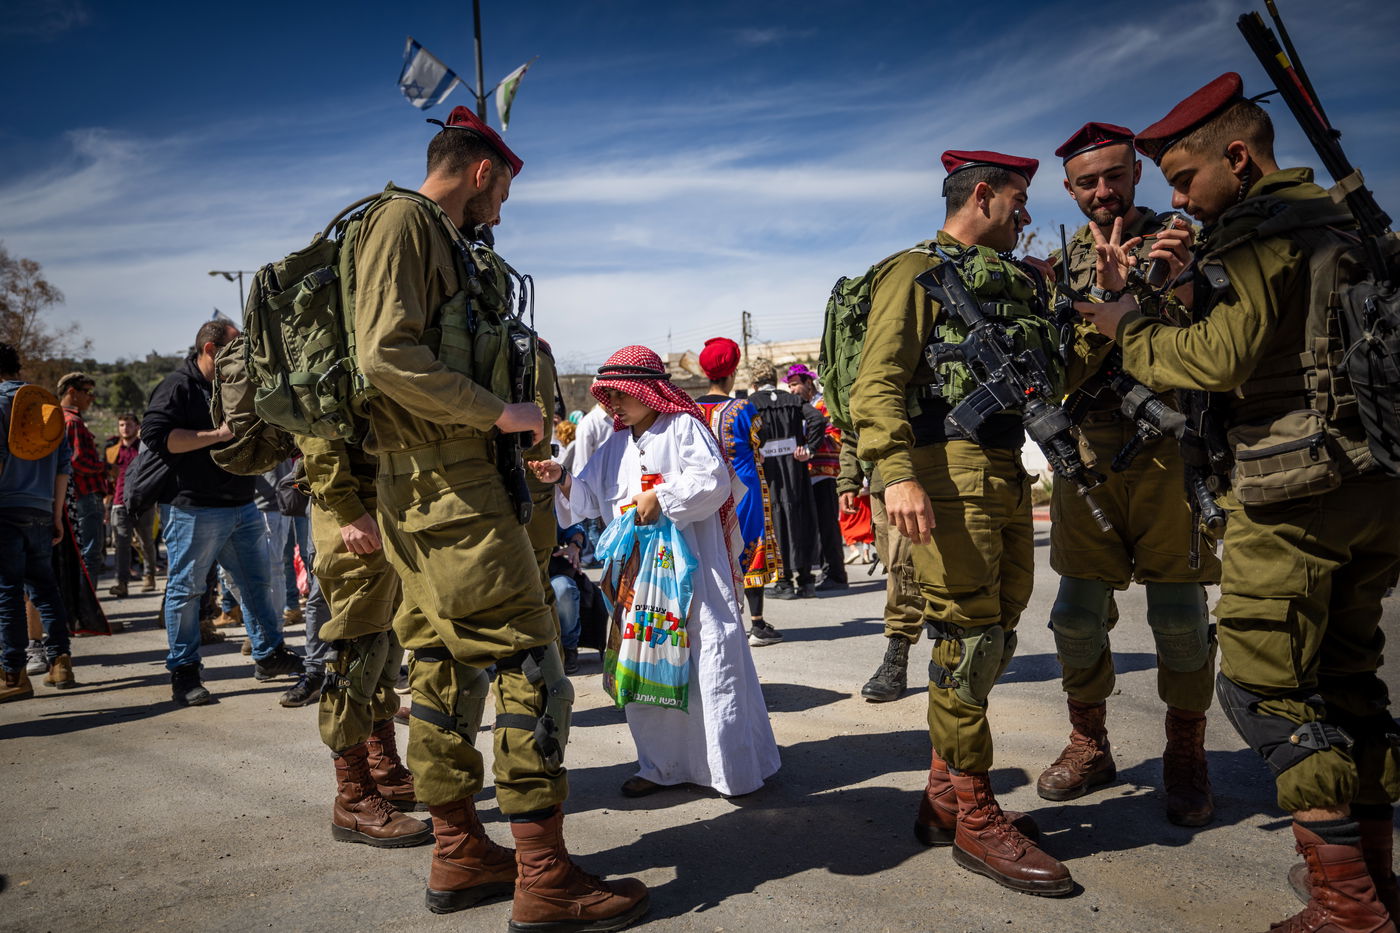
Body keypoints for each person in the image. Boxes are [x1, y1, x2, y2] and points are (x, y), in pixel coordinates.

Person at [1081, 72, 1400, 932]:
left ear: (1237, 155)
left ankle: (1348, 904)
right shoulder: (1349, 220)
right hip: (1372, 484)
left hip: (1293, 491)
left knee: (1266, 687)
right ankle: (1373, 876)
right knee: (1349, 678)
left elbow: (1219, 358)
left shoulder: (1264, 231)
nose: (1177, 197)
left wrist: (1131, 327)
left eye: (1185, 179)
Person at [353, 105, 647, 926]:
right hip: (451, 491)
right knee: (531, 662)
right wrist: (498, 413)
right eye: (506, 189)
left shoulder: (432, 238)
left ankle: (460, 852)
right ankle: (544, 874)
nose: (504, 208)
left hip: (431, 494)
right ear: (483, 169)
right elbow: (383, 352)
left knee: (443, 666)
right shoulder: (408, 222)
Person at [852, 149, 1106, 896]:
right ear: (984, 196)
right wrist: (895, 472)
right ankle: (974, 813)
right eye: (1019, 201)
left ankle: (942, 796)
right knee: (965, 636)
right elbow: (879, 381)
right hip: (944, 466)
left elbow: (1051, 378)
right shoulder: (914, 270)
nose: (1027, 216)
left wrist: (1108, 320)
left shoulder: (1012, 285)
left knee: (995, 629)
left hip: (999, 467)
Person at [1036, 121, 1219, 827]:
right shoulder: (1057, 263)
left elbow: (1212, 345)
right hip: (1087, 456)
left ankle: (1185, 753)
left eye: (1115, 175)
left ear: (1137, 172)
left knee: (1179, 620)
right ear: (1070, 189)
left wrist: (1157, 288)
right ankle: (1090, 741)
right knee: (1075, 617)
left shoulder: (1184, 241)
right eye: (1088, 182)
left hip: (1170, 454)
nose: (1103, 191)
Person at [531, 345, 781, 801]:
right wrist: (561, 478)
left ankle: (730, 768)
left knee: (708, 659)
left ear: (649, 390)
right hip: (640, 577)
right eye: (607, 395)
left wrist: (662, 498)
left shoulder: (683, 426)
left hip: (695, 572)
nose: (614, 403)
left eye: (621, 393)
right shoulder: (613, 444)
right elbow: (588, 498)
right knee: (649, 663)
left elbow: (713, 481)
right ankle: (661, 766)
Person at [142, 320, 305, 706]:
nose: (243, 356)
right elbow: (156, 436)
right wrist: (216, 436)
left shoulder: (232, 384)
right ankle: (184, 672)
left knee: (257, 584)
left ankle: (268, 655)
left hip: (241, 505)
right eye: (235, 349)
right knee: (186, 591)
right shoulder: (178, 386)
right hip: (192, 509)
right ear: (211, 350)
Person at [292, 434, 430, 847]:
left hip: (389, 505)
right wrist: (348, 511)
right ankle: (353, 799)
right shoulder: (328, 365)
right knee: (356, 656)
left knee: (386, 646)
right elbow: (316, 432)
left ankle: (382, 769)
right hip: (353, 520)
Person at [695, 337, 782, 647]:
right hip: (744, 489)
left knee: (713, 550)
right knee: (749, 547)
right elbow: (762, 439)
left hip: (706, 491)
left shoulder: (691, 410)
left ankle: (721, 622)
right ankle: (757, 624)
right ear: (732, 373)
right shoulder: (742, 407)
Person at [0, 343, 75, 700]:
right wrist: (56, 513)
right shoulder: (47, 404)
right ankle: (60, 662)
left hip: (5, 511)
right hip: (42, 511)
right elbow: (63, 467)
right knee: (45, 588)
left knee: (8, 593)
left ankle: (13, 675)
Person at [840, 433, 925, 703]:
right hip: (882, 481)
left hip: (931, 468)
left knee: (906, 571)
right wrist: (848, 480)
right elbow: (851, 425)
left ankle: (896, 661)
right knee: (898, 570)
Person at [749, 359, 826, 602]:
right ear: (774, 379)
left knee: (775, 521)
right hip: (795, 467)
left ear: (754, 383)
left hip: (768, 470)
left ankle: (783, 582)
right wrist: (809, 449)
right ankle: (805, 580)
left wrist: (756, 451)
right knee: (800, 518)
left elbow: (745, 432)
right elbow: (817, 419)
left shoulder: (751, 404)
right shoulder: (793, 400)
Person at [784, 363, 848, 591]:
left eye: (795, 385)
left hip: (826, 472)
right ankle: (827, 571)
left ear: (808, 383)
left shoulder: (824, 404)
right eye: (789, 386)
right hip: (811, 472)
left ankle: (837, 574)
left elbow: (835, 437)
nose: (792, 390)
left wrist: (810, 445)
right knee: (819, 526)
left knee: (828, 525)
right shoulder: (806, 406)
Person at [57, 372, 108, 587]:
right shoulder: (73, 421)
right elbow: (78, 462)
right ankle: (88, 613)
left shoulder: (59, 418)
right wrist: (106, 467)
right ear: (72, 392)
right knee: (90, 554)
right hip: (85, 495)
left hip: (73, 496)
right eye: (86, 392)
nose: (91, 397)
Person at [106, 412, 158, 598]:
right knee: (121, 544)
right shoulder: (112, 451)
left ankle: (149, 575)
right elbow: (109, 477)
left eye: (128, 424)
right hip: (119, 503)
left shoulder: (144, 449)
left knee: (146, 542)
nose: (125, 428)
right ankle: (122, 583)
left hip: (143, 503)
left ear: (137, 427)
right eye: (121, 424)